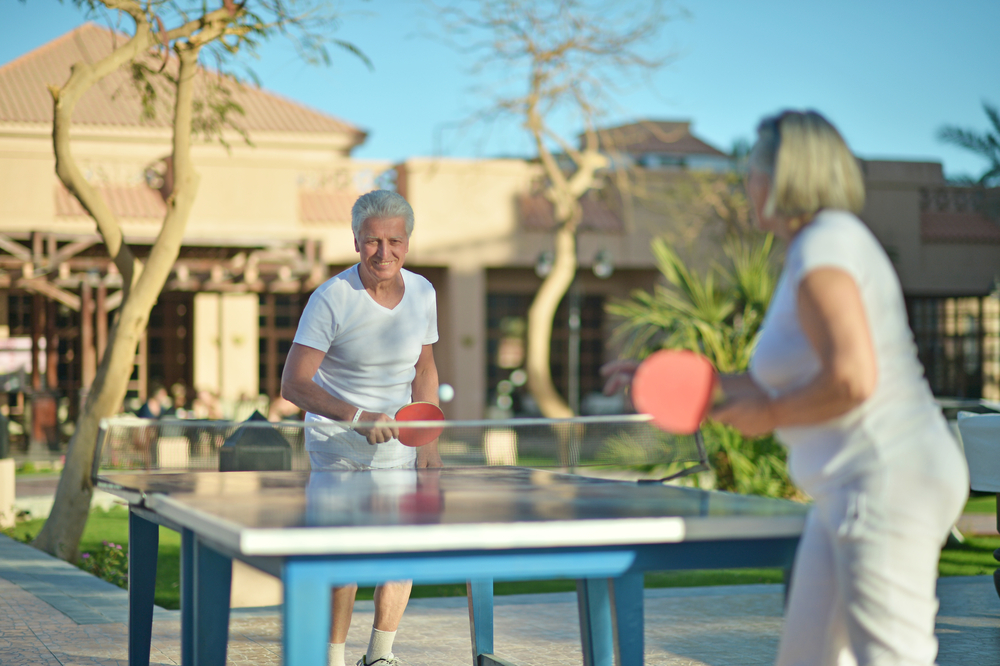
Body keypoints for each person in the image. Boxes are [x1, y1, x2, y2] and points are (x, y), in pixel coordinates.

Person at [711, 111, 965, 665]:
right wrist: (695, 384)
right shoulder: (815, 248)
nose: (747, 182)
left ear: (785, 176)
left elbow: (853, 378)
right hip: (848, 491)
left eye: (752, 168)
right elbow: (769, 380)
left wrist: (772, 412)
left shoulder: (826, 248)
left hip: (885, 481)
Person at [281, 189, 441, 666]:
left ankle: (379, 656)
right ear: (356, 241)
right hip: (336, 444)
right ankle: (331, 658)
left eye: (394, 241)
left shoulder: (425, 293)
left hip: (399, 446)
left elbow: (425, 366)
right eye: (373, 241)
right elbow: (293, 383)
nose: (383, 252)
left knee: (399, 555)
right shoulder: (331, 298)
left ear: (407, 244)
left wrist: (428, 434)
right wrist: (356, 417)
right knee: (342, 559)